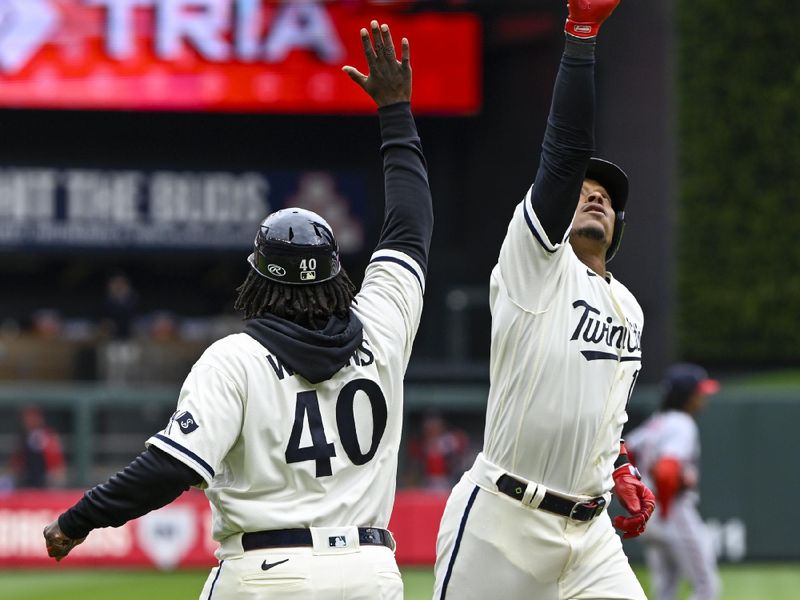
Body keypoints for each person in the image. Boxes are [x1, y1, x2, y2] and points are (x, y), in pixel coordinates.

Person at [43, 21, 432, 600]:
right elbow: (410, 227)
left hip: (267, 572)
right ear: (335, 275)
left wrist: (76, 520)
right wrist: (396, 113)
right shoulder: (382, 324)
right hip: (369, 572)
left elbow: (171, 469)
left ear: (256, 279)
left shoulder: (235, 359)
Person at [432, 2, 656, 598]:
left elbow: (600, 405)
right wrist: (580, 40)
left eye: (606, 195)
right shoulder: (535, 266)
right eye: (582, 191)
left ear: (620, 224)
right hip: (504, 519)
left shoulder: (629, 308)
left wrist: (618, 464)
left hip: (590, 537)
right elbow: (560, 158)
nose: (594, 197)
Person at [625, 364, 722, 600]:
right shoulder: (682, 424)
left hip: (650, 515)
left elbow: (625, 450)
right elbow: (666, 471)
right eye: (699, 392)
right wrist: (667, 509)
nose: (703, 397)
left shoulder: (656, 422)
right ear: (686, 396)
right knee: (706, 588)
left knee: (665, 590)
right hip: (673, 511)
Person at [10, 406, 66, 489]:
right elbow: (16, 462)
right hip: (26, 480)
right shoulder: (23, 436)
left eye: (33, 417)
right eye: (27, 417)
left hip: (46, 480)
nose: (29, 420)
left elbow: (56, 464)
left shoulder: (47, 434)